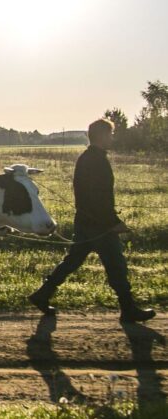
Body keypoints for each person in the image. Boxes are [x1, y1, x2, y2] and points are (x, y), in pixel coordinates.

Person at [28, 118, 156, 323]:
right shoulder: (98, 161)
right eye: (111, 134)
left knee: (72, 261)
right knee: (117, 266)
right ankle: (128, 309)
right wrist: (113, 222)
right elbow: (100, 197)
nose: (113, 138)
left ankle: (43, 294)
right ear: (102, 135)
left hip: (85, 221)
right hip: (100, 225)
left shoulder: (86, 158)